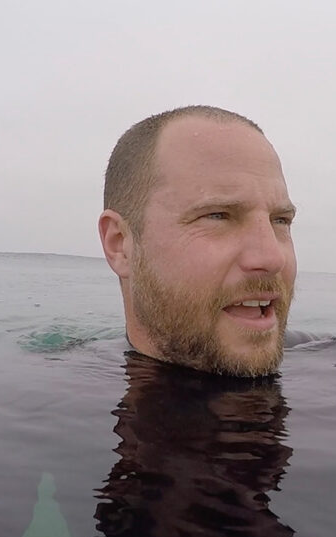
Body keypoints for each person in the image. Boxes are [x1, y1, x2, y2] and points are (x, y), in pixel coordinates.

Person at [97, 106, 297, 378]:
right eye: (218, 216)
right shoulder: (50, 404)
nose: (272, 258)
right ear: (119, 245)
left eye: (280, 220)